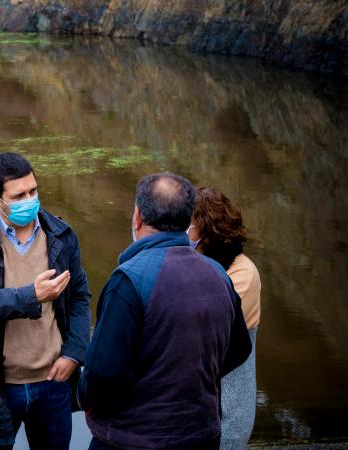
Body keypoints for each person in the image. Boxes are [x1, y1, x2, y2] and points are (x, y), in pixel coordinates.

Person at [78, 172, 252, 450]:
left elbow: (101, 376)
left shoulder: (129, 280)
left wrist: (84, 396)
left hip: (134, 440)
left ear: (137, 217)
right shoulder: (218, 274)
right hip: (202, 434)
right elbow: (240, 349)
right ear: (187, 221)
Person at [0, 152, 92, 450]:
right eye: (19, 195)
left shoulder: (61, 235)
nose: (30, 199)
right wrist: (31, 296)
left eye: (33, 191)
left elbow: (79, 296)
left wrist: (74, 353)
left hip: (53, 382)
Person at [189, 187, 262, 450]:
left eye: (190, 223)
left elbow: (208, 328)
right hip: (201, 402)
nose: (184, 231)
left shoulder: (242, 273)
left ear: (206, 229)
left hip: (228, 402)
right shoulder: (197, 263)